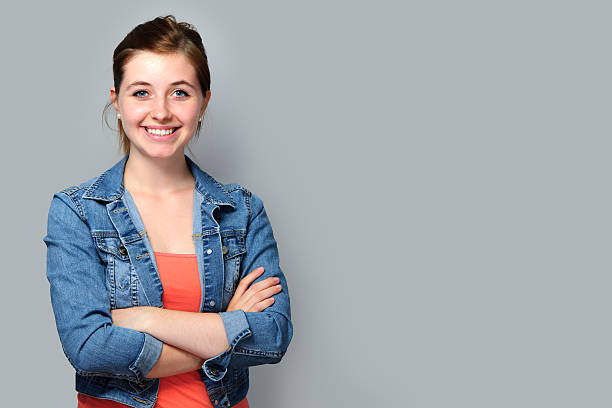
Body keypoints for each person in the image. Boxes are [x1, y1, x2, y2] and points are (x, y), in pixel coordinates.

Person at [43, 15, 292, 408]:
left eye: (180, 92)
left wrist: (145, 318)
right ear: (117, 100)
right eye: (141, 92)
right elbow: (89, 348)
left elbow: (272, 335)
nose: (160, 111)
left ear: (203, 102)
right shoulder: (78, 212)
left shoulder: (242, 210)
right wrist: (223, 332)